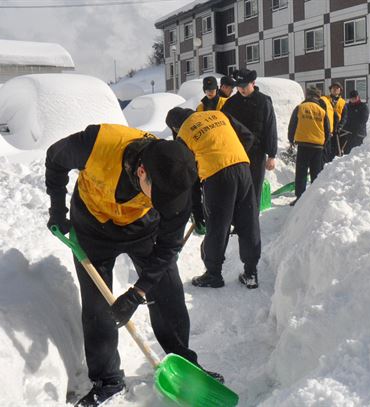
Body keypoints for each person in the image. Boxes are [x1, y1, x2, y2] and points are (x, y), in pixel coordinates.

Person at [45, 124, 223, 407]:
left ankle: (182, 361)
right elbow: (55, 158)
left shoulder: (176, 179)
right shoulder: (97, 143)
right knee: (97, 307)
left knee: (168, 292)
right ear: (142, 172)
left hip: (143, 229)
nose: (168, 204)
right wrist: (57, 209)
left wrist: (138, 292)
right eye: (160, 197)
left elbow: (169, 248)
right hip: (92, 227)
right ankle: (107, 379)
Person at [165, 107, 262, 290]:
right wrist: (233, 157)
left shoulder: (183, 135)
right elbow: (248, 137)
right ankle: (251, 273)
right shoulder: (218, 114)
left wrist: (197, 209)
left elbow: (189, 174)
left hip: (217, 177)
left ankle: (213, 274)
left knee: (218, 225)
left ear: (175, 127)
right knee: (248, 221)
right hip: (242, 168)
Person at [221, 68, 278, 207]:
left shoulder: (263, 101)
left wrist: (271, 155)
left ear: (253, 83)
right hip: (236, 154)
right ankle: (238, 224)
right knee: (238, 190)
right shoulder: (231, 103)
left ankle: (252, 225)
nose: (241, 90)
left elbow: (270, 128)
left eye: (245, 86)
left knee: (254, 190)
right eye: (239, 87)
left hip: (256, 154)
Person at [287, 87, 331, 205]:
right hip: (318, 147)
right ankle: (315, 199)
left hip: (303, 145)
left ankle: (300, 198)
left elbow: (292, 125)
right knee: (316, 173)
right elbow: (327, 129)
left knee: (301, 173)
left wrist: (291, 140)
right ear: (317, 97)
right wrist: (324, 143)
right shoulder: (322, 111)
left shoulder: (300, 108)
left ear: (307, 96)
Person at [320, 82, 347, 160]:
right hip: (326, 127)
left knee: (335, 149)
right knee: (325, 148)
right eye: (333, 88)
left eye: (337, 88)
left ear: (340, 90)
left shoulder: (343, 102)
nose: (335, 90)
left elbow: (344, 117)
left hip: (336, 129)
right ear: (330, 90)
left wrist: (340, 126)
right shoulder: (325, 99)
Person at [342, 90, 370, 155]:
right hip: (348, 134)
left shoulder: (363, 106)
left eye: (355, 98)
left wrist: (355, 129)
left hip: (359, 134)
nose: (353, 99)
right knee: (347, 154)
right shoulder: (347, 107)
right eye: (352, 98)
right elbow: (344, 118)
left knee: (357, 154)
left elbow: (363, 120)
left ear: (358, 97)